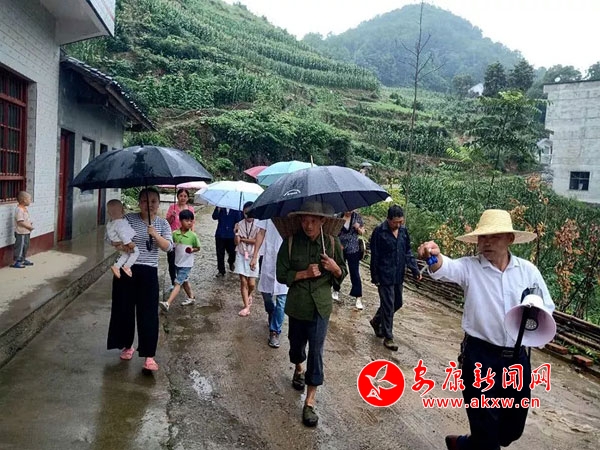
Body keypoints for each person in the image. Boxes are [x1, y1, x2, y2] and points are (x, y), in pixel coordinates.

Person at [417, 209, 555, 450]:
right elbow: (443, 267)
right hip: (480, 358)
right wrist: (432, 256)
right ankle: (479, 442)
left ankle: (464, 444)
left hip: (517, 359)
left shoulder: (528, 271)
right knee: (487, 434)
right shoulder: (470, 268)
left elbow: (547, 308)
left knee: (511, 430)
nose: (487, 242)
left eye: (495, 236)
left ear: (510, 239)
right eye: (483, 237)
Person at [276, 201, 347, 428]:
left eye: (313, 221)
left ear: (322, 221)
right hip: (298, 305)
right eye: (305, 220)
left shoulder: (332, 243)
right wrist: (303, 274)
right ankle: (298, 368)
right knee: (296, 347)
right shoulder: (290, 242)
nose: (308, 225)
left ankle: (309, 402)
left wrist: (335, 268)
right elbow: (281, 274)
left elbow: (342, 273)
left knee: (316, 351)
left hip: (321, 307)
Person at [107, 187, 173, 372]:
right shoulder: (128, 219)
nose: (149, 204)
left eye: (153, 201)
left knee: (148, 313)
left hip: (148, 272)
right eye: (144, 201)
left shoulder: (162, 224)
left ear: (158, 203)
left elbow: (169, 247)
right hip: (126, 270)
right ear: (139, 203)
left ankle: (149, 356)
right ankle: (126, 345)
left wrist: (155, 235)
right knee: (124, 310)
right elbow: (111, 237)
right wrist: (120, 245)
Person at [369, 205, 421, 351]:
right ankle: (388, 337)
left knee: (397, 302)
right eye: (395, 222)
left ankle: (376, 320)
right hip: (384, 274)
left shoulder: (403, 232)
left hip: (398, 274)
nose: (398, 225)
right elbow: (375, 255)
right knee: (388, 305)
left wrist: (415, 269)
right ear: (388, 219)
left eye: (400, 222)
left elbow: (407, 252)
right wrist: (375, 276)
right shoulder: (379, 232)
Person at [250, 218, 288, 348]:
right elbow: (261, 233)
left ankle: (274, 331)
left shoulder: (292, 213)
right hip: (269, 258)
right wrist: (255, 256)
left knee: (282, 299)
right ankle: (271, 312)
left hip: (286, 260)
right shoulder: (268, 212)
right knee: (266, 294)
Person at [159, 209, 200, 312]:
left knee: (177, 283)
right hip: (177, 262)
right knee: (184, 281)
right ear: (180, 221)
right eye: (187, 220)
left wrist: (192, 249)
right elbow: (170, 245)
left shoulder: (193, 236)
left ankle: (167, 303)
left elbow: (198, 247)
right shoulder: (175, 234)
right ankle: (191, 297)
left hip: (187, 264)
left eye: (191, 221)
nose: (189, 223)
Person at [332, 210, 365, 310]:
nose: (349, 211)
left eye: (351, 210)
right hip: (340, 247)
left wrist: (358, 228)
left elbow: (362, 232)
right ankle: (336, 289)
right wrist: (337, 244)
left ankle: (358, 297)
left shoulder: (357, 217)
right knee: (338, 269)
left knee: (354, 272)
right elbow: (333, 232)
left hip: (353, 248)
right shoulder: (338, 216)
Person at [233, 202, 259, 317]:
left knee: (251, 284)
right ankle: (246, 306)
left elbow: (257, 241)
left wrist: (244, 239)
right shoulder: (239, 224)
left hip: (253, 255)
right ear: (243, 212)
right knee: (243, 281)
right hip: (241, 254)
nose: (248, 215)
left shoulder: (259, 224)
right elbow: (236, 242)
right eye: (246, 212)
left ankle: (249, 295)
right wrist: (236, 233)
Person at [165, 189, 195, 288]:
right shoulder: (172, 207)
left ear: (188, 198)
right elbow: (167, 223)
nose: (183, 198)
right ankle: (173, 282)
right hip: (173, 238)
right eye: (181, 195)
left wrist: (192, 237)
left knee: (183, 260)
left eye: (185, 196)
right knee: (172, 260)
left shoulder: (190, 209)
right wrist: (172, 216)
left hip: (185, 239)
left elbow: (192, 224)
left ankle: (181, 279)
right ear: (177, 196)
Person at [106, 199, 139, 278]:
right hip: (123, 241)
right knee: (136, 252)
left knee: (125, 254)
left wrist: (115, 243)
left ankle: (116, 266)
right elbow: (123, 234)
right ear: (123, 210)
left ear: (108, 213)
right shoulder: (119, 222)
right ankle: (127, 266)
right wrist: (128, 243)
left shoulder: (111, 223)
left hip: (118, 241)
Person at [212, 206, 243, 277]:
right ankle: (221, 270)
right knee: (220, 253)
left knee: (232, 252)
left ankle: (231, 262)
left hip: (231, 235)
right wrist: (218, 209)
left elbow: (239, 220)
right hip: (220, 234)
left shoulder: (236, 208)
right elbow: (214, 217)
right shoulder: (220, 207)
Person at [12, 191, 34, 268]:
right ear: (24, 200)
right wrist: (29, 227)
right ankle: (17, 262)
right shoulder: (19, 210)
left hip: (26, 232)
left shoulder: (24, 209)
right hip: (21, 232)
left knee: (25, 246)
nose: (30, 201)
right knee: (20, 247)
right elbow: (20, 222)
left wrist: (29, 223)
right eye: (29, 199)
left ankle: (23, 259)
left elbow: (25, 219)